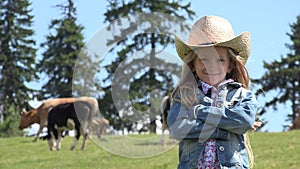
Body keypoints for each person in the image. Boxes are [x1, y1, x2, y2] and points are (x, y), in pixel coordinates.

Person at [167, 15, 262, 169]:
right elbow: (177, 129)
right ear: (193, 65)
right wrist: (226, 128)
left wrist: (198, 111)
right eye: (204, 59)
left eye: (220, 60)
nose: (212, 66)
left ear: (230, 65)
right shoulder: (184, 94)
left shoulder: (243, 95)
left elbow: (244, 121)